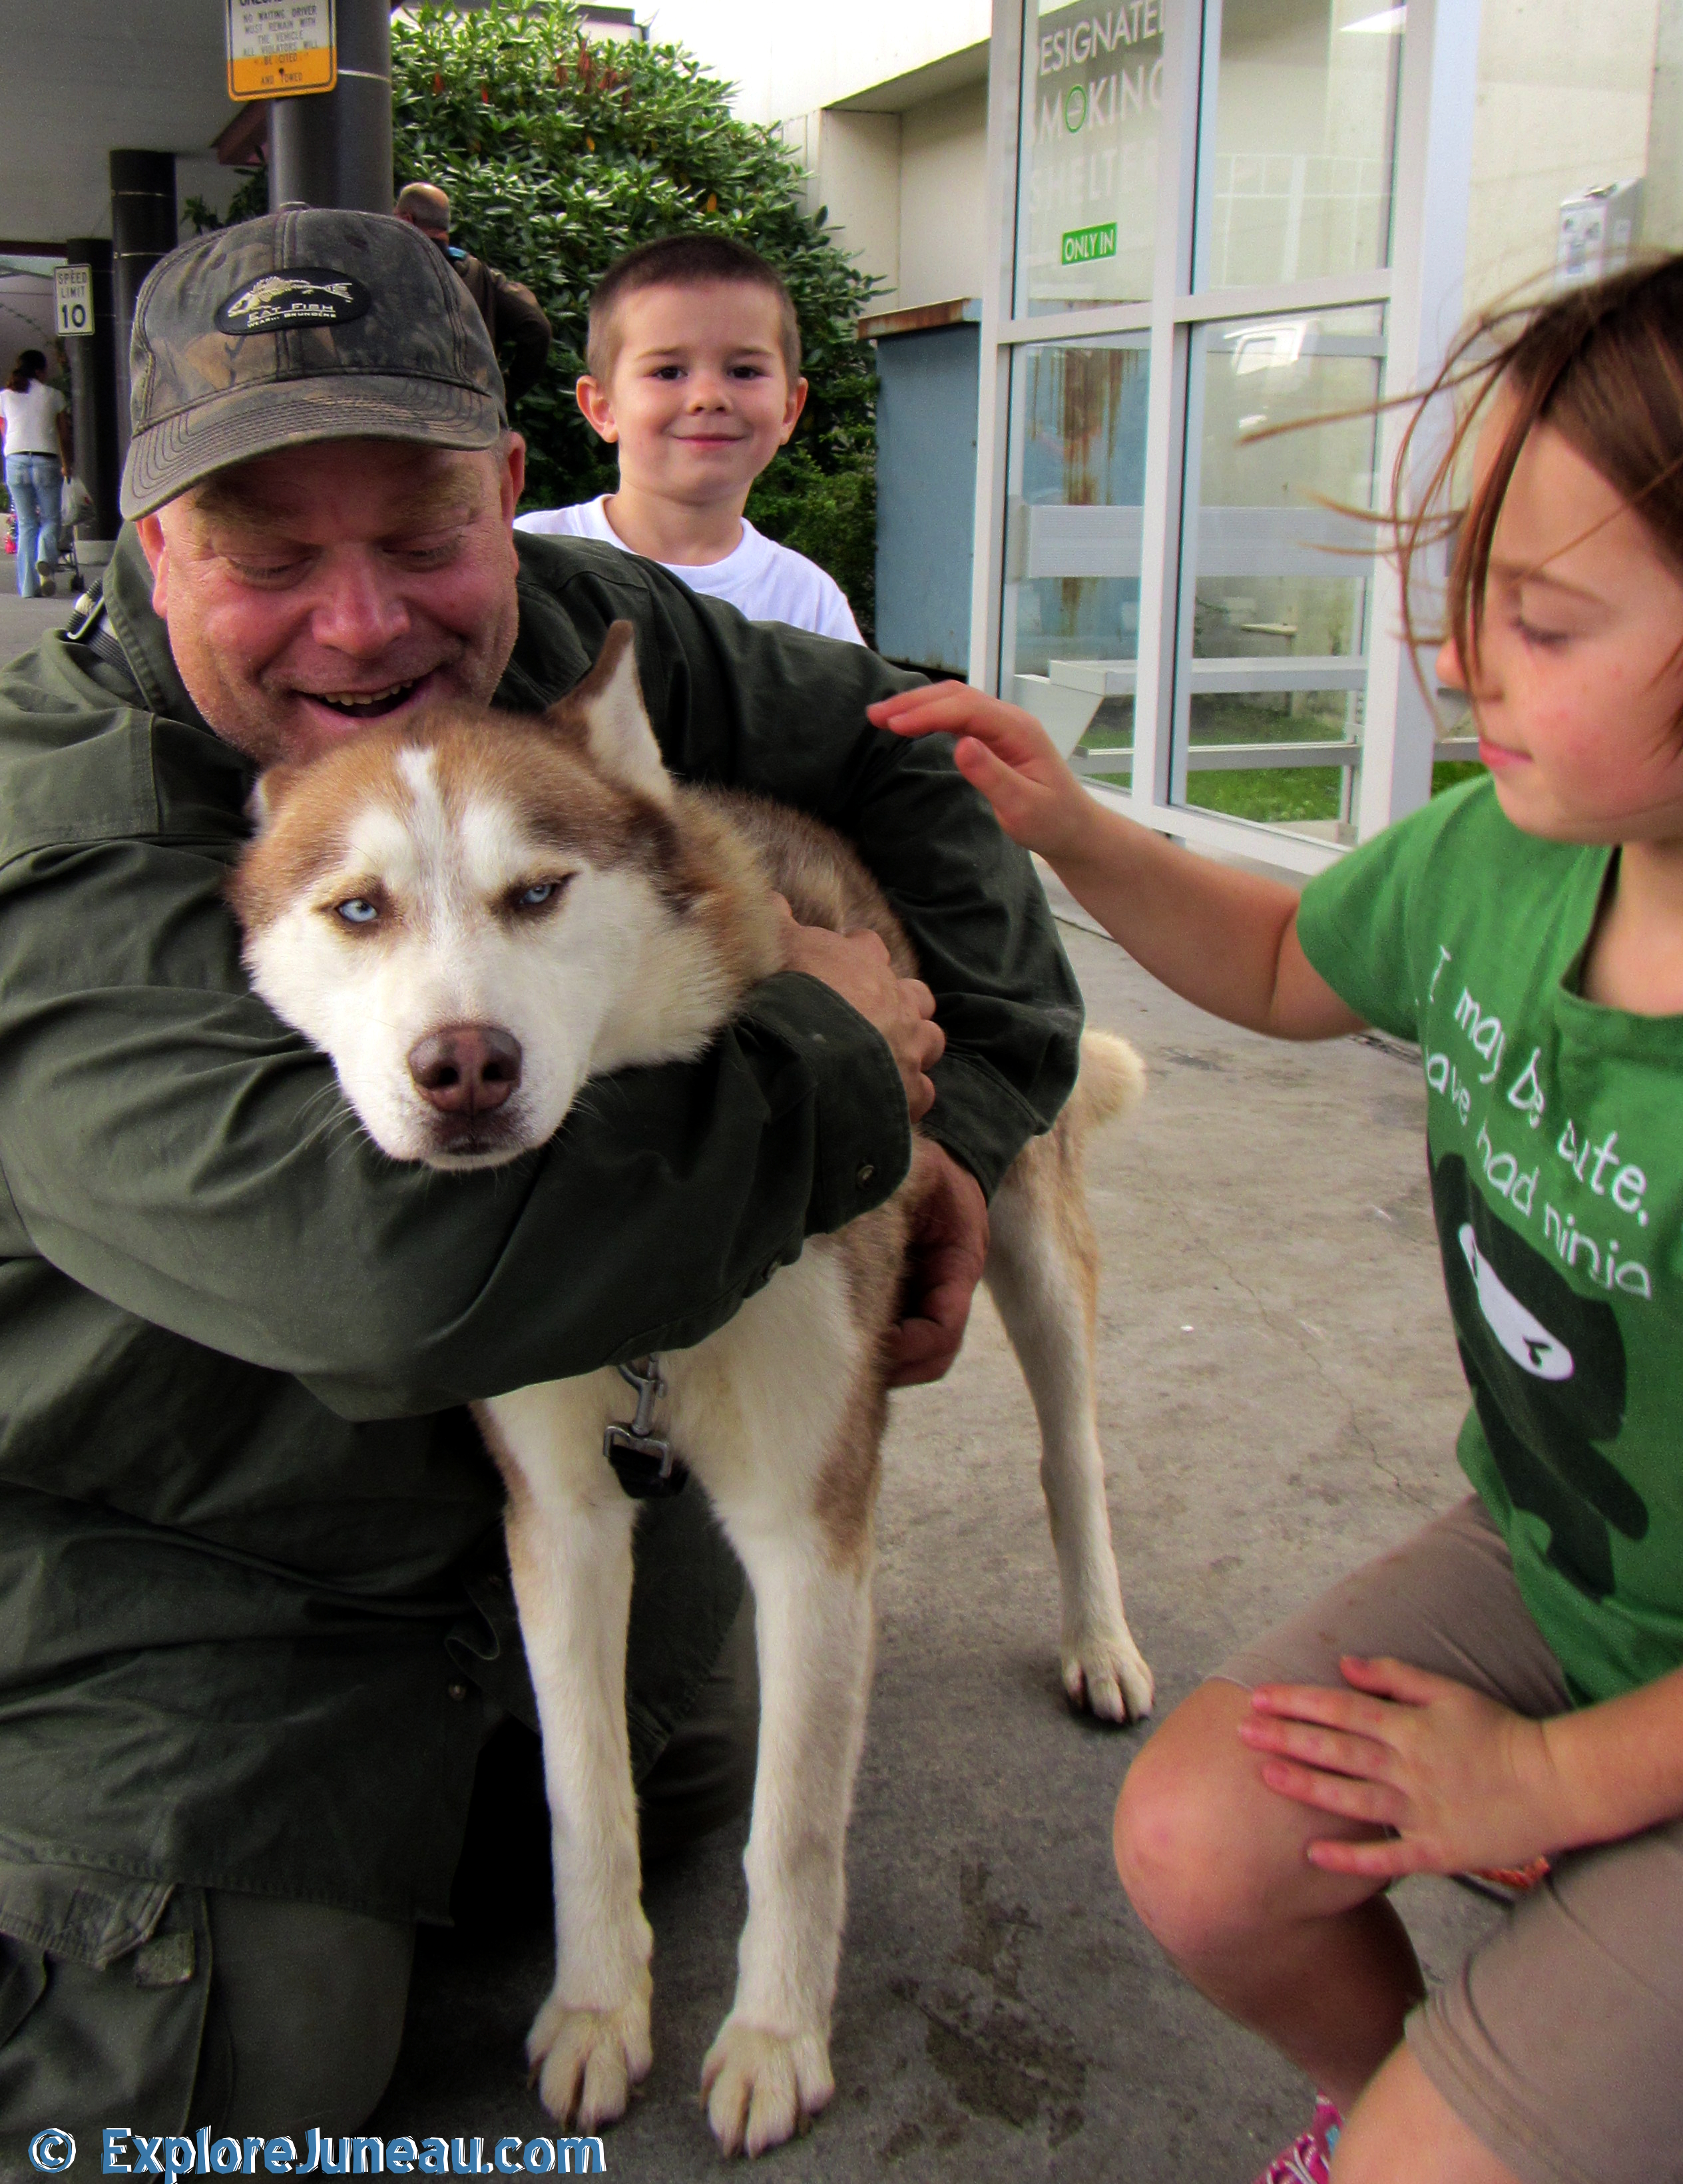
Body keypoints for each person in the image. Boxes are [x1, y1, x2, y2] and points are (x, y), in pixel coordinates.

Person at [0, 208, 1080, 2142]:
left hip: (551, 1449)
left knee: (676, 1768)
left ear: (511, 493)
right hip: (176, 1543)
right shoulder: (51, 840)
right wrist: (838, 1073)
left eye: (419, 535)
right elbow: (387, 1274)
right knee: (251, 2056)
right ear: (152, 547)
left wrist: (962, 1137)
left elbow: (906, 745)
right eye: (264, 555)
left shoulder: (576, 632)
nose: (363, 624)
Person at [877, 255, 1683, 2184]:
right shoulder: (1503, 857)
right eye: (1470, 594)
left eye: (1543, 619)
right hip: (1565, 1576)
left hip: (1620, 1705)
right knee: (1199, 1842)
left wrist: (1549, 1779)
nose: (1461, 662)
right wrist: (1073, 829)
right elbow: (1277, 958)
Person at [515, 235, 861, 642]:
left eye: (744, 371)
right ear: (603, 408)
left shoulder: (810, 604)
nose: (709, 398)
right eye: (668, 372)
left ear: (789, 410)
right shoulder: (527, 557)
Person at [394, 180, 552, 404]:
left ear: (407, 220)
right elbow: (538, 327)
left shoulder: (388, 271)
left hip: (408, 410)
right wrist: (503, 392)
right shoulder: (479, 275)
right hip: (474, 414)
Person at [0, 348, 69, 597]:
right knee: (51, 520)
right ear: (40, 371)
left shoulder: (5, 396)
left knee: (27, 524)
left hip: (15, 461)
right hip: (46, 460)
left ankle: (28, 588)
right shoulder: (54, 396)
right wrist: (68, 464)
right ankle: (44, 557)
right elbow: (64, 434)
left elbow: (4, 430)